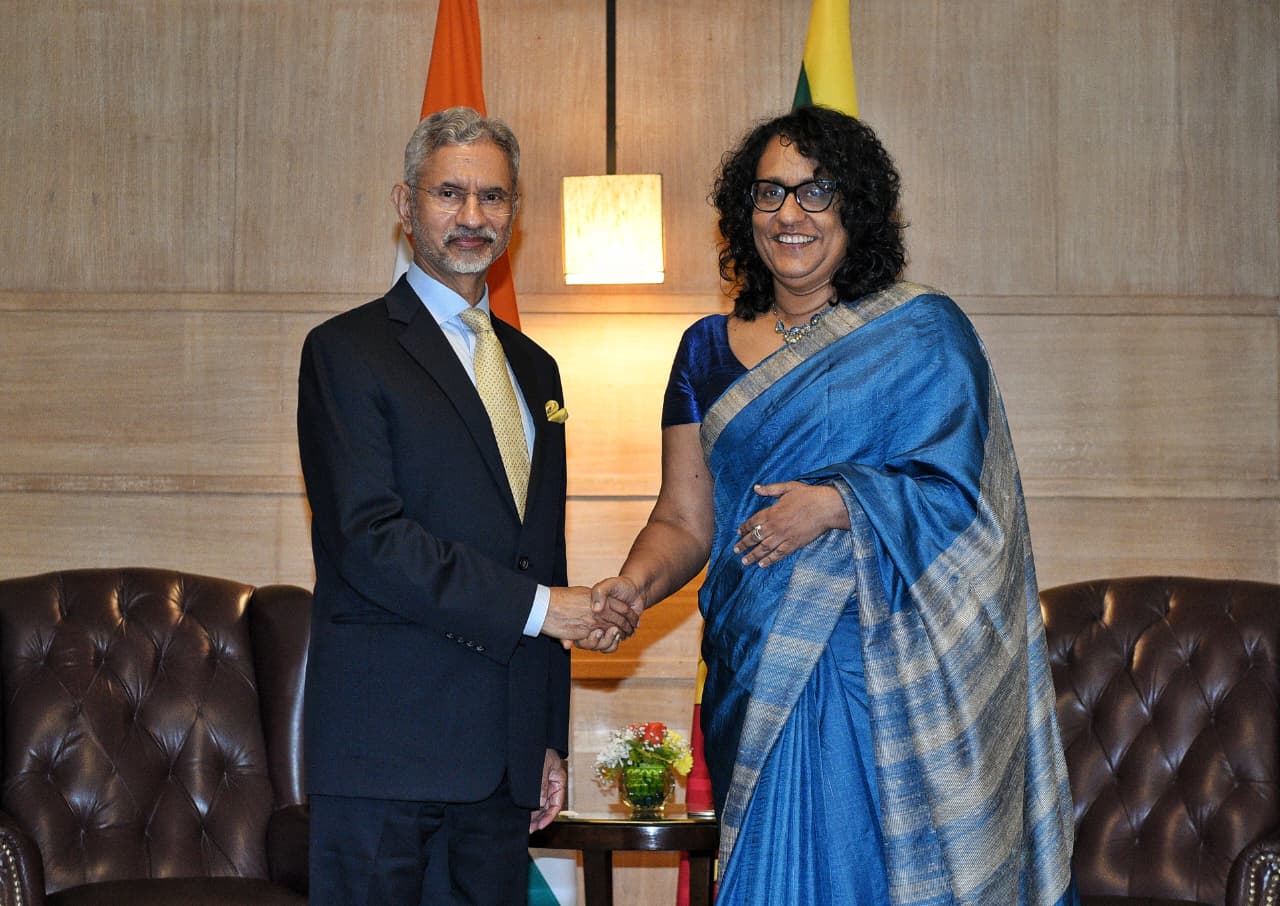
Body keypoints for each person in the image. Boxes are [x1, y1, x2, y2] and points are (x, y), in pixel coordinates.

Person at [592, 105, 1078, 904]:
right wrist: (633, 586)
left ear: (856, 206)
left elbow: (970, 510)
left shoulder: (922, 334)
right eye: (770, 192)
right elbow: (682, 520)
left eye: (816, 191)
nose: (790, 213)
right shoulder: (704, 350)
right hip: (754, 666)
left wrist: (838, 504)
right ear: (744, 212)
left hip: (875, 673)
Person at [297, 106, 636, 905]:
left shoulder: (536, 369)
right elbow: (369, 539)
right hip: (386, 754)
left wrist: (545, 739)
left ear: (515, 212)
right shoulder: (346, 351)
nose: (473, 216)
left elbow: (538, 551)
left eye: (494, 196)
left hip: (501, 767)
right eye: (450, 193)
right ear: (404, 203)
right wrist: (543, 607)